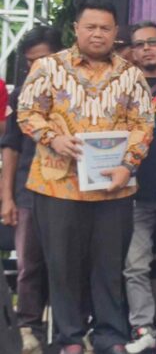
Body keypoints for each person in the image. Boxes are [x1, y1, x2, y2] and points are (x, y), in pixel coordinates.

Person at [17, 0, 154, 354]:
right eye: (90, 27)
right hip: (57, 185)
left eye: (105, 28)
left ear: (115, 32)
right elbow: (27, 113)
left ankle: (110, 336)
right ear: (76, 29)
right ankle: (71, 339)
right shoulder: (48, 67)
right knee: (62, 267)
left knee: (109, 266)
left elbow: (143, 124)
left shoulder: (131, 74)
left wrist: (128, 165)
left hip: (113, 187)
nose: (97, 34)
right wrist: (53, 138)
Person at [0, 25, 62, 354]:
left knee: (68, 264)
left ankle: (71, 330)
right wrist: (6, 197)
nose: (35, 67)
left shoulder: (79, 90)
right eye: (29, 62)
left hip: (70, 191)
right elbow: (10, 147)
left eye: (42, 59)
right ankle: (28, 329)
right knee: (29, 265)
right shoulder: (20, 93)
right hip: (27, 190)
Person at [122, 21, 156, 354]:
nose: (146, 49)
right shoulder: (125, 86)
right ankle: (144, 329)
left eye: (152, 42)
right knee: (134, 266)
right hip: (133, 192)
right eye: (139, 44)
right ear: (132, 51)